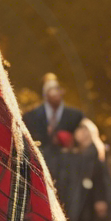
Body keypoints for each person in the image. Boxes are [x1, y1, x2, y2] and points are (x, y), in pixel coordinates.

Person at [22, 73, 85, 209]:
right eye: (51, 89)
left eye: (57, 89)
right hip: (43, 169)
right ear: (45, 93)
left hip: (69, 172)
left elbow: (84, 140)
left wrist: (71, 141)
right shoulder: (31, 116)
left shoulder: (75, 116)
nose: (55, 93)